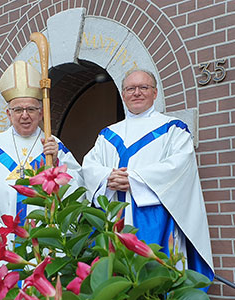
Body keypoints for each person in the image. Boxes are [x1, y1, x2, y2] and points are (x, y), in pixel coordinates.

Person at [0, 60, 83, 299]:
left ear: (41, 112)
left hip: (45, 243)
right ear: (8, 113)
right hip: (2, 241)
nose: (25, 115)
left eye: (31, 109)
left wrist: (55, 161)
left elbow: (79, 192)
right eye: (18, 110)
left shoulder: (54, 147)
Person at [82, 69, 214, 285]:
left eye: (143, 87)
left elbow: (179, 166)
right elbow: (89, 166)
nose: (137, 93)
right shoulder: (107, 134)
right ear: (123, 94)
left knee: (156, 280)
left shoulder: (173, 129)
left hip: (157, 219)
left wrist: (134, 180)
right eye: (130, 88)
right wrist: (107, 177)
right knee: (117, 282)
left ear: (155, 93)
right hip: (116, 216)